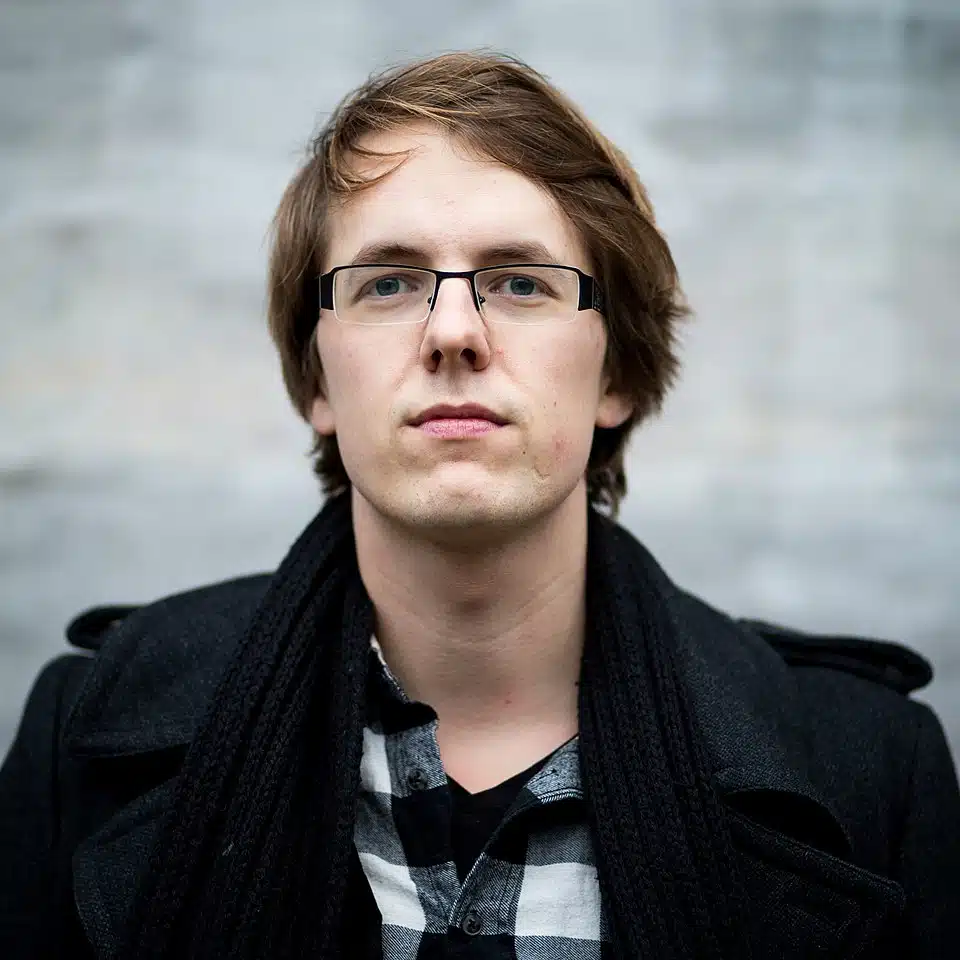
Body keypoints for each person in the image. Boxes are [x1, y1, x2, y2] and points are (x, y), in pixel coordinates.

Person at [1, 51, 958, 960]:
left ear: (617, 372)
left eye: (521, 283)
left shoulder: (874, 767)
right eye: (387, 283)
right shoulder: (76, 741)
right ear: (317, 378)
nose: (453, 331)